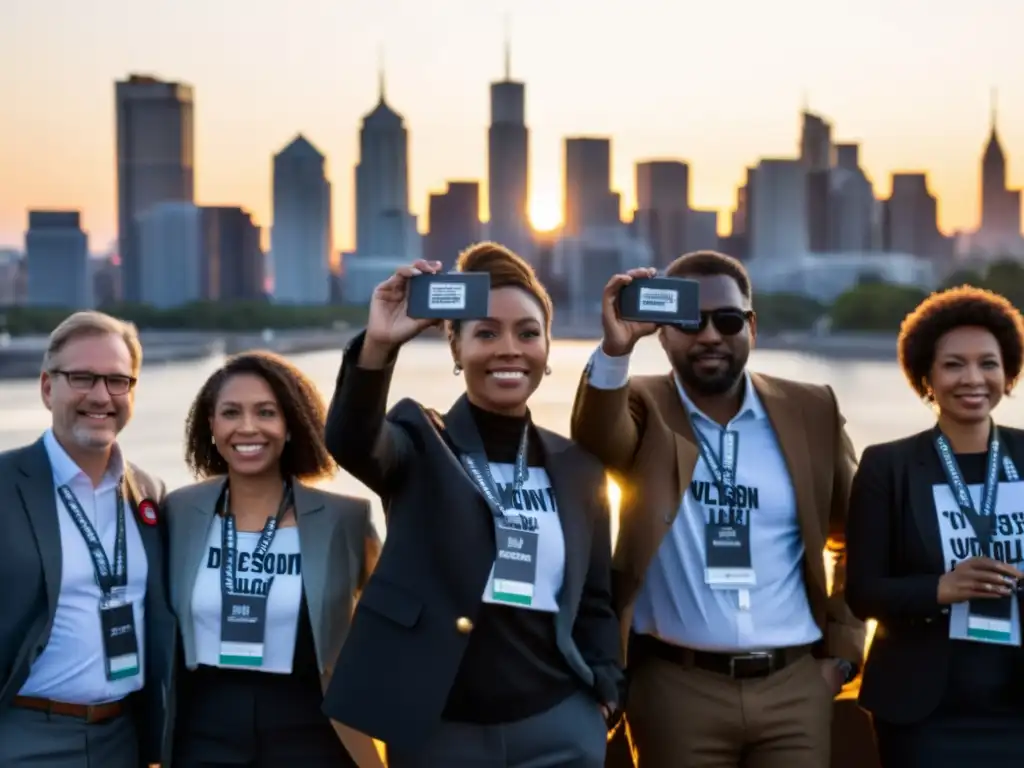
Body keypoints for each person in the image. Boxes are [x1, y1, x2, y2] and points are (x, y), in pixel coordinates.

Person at [321, 243, 622, 767]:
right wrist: (378, 346)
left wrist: (605, 696)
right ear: (456, 350)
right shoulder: (419, 442)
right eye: (486, 332)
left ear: (547, 349)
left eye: (528, 332)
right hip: (443, 734)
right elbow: (351, 439)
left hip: (560, 727)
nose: (510, 348)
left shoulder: (578, 468)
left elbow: (595, 602)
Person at [570, 251, 866, 768]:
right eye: (689, 321)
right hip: (675, 689)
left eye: (727, 320)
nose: (709, 335)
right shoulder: (641, 405)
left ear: (752, 327)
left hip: (795, 688)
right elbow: (598, 440)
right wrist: (615, 351)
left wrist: (839, 659)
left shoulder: (812, 408)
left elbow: (858, 534)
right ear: (663, 333)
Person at [164, 351, 383, 768]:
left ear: (291, 426)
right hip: (203, 730)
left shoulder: (345, 520)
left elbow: (392, 625)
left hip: (313, 729)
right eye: (231, 413)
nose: (248, 428)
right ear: (211, 425)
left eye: (266, 412)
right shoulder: (177, 512)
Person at [846, 286, 1024, 766]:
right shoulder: (888, 466)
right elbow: (861, 593)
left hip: (1017, 707)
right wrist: (939, 589)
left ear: (1008, 374)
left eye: (988, 363)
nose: (973, 378)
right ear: (925, 376)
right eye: (953, 364)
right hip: (923, 715)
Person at [0, 311, 175, 768]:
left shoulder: (149, 494)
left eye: (118, 380)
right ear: (46, 388)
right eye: (82, 377)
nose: (101, 396)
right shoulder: (2, 484)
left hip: (123, 739)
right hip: (22, 736)